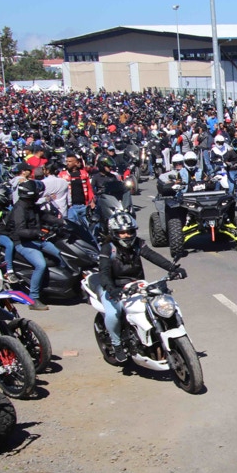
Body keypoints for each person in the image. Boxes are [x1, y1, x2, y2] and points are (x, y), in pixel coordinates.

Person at [98, 212, 187, 363]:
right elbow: (104, 272)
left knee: (159, 304)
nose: (126, 235)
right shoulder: (108, 248)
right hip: (114, 288)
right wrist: (111, 289)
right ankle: (117, 344)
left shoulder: (138, 244)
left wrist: (173, 268)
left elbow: (153, 256)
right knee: (113, 314)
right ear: (114, 233)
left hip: (137, 285)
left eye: (129, 231)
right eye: (122, 232)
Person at [6, 181, 68, 311]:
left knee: (61, 254)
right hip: (23, 243)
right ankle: (33, 299)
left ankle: (61, 286)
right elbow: (20, 231)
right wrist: (37, 232)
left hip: (38, 240)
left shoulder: (31, 206)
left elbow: (44, 216)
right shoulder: (19, 210)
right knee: (40, 265)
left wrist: (62, 222)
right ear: (31, 194)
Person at [59, 153, 95, 228]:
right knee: (72, 227)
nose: (67, 163)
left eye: (70, 161)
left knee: (86, 227)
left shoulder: (84, 173)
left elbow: (89, 188)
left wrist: (92, 200)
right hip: (70, 207)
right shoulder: (62, 175)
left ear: (76, 163)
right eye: (67, 161)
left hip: (84, 205)